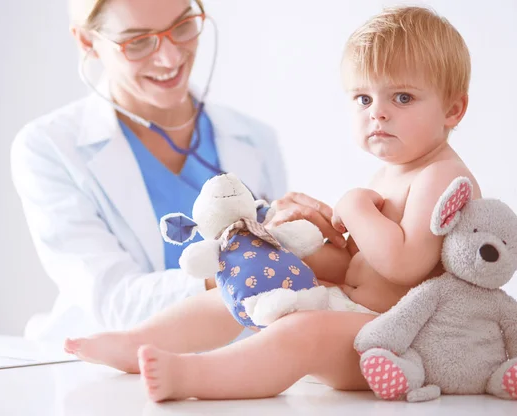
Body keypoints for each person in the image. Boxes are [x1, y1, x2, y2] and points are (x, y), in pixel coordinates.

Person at [63, 5, 482, 402]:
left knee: (302, 331)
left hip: (400, 342)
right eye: (363, 99)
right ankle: (138, 340)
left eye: (402, 98)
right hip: (361, 314)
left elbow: (403, 265)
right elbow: (362, 267)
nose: (378, 114)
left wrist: (354, 207)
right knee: (246, 287)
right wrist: (305, 251)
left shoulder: (441, 176)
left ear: (454, 109)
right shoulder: (395, 170)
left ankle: (190, 376)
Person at [11, 0, 347, 341]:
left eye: (183, 26)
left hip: (240, 366)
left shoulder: (257, 140)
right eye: (138, 42)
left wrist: (302, 238)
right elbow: (114, 302)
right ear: (87, 42)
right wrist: (249, 258)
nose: (170, 59)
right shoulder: (49, 147)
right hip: (107, 372)